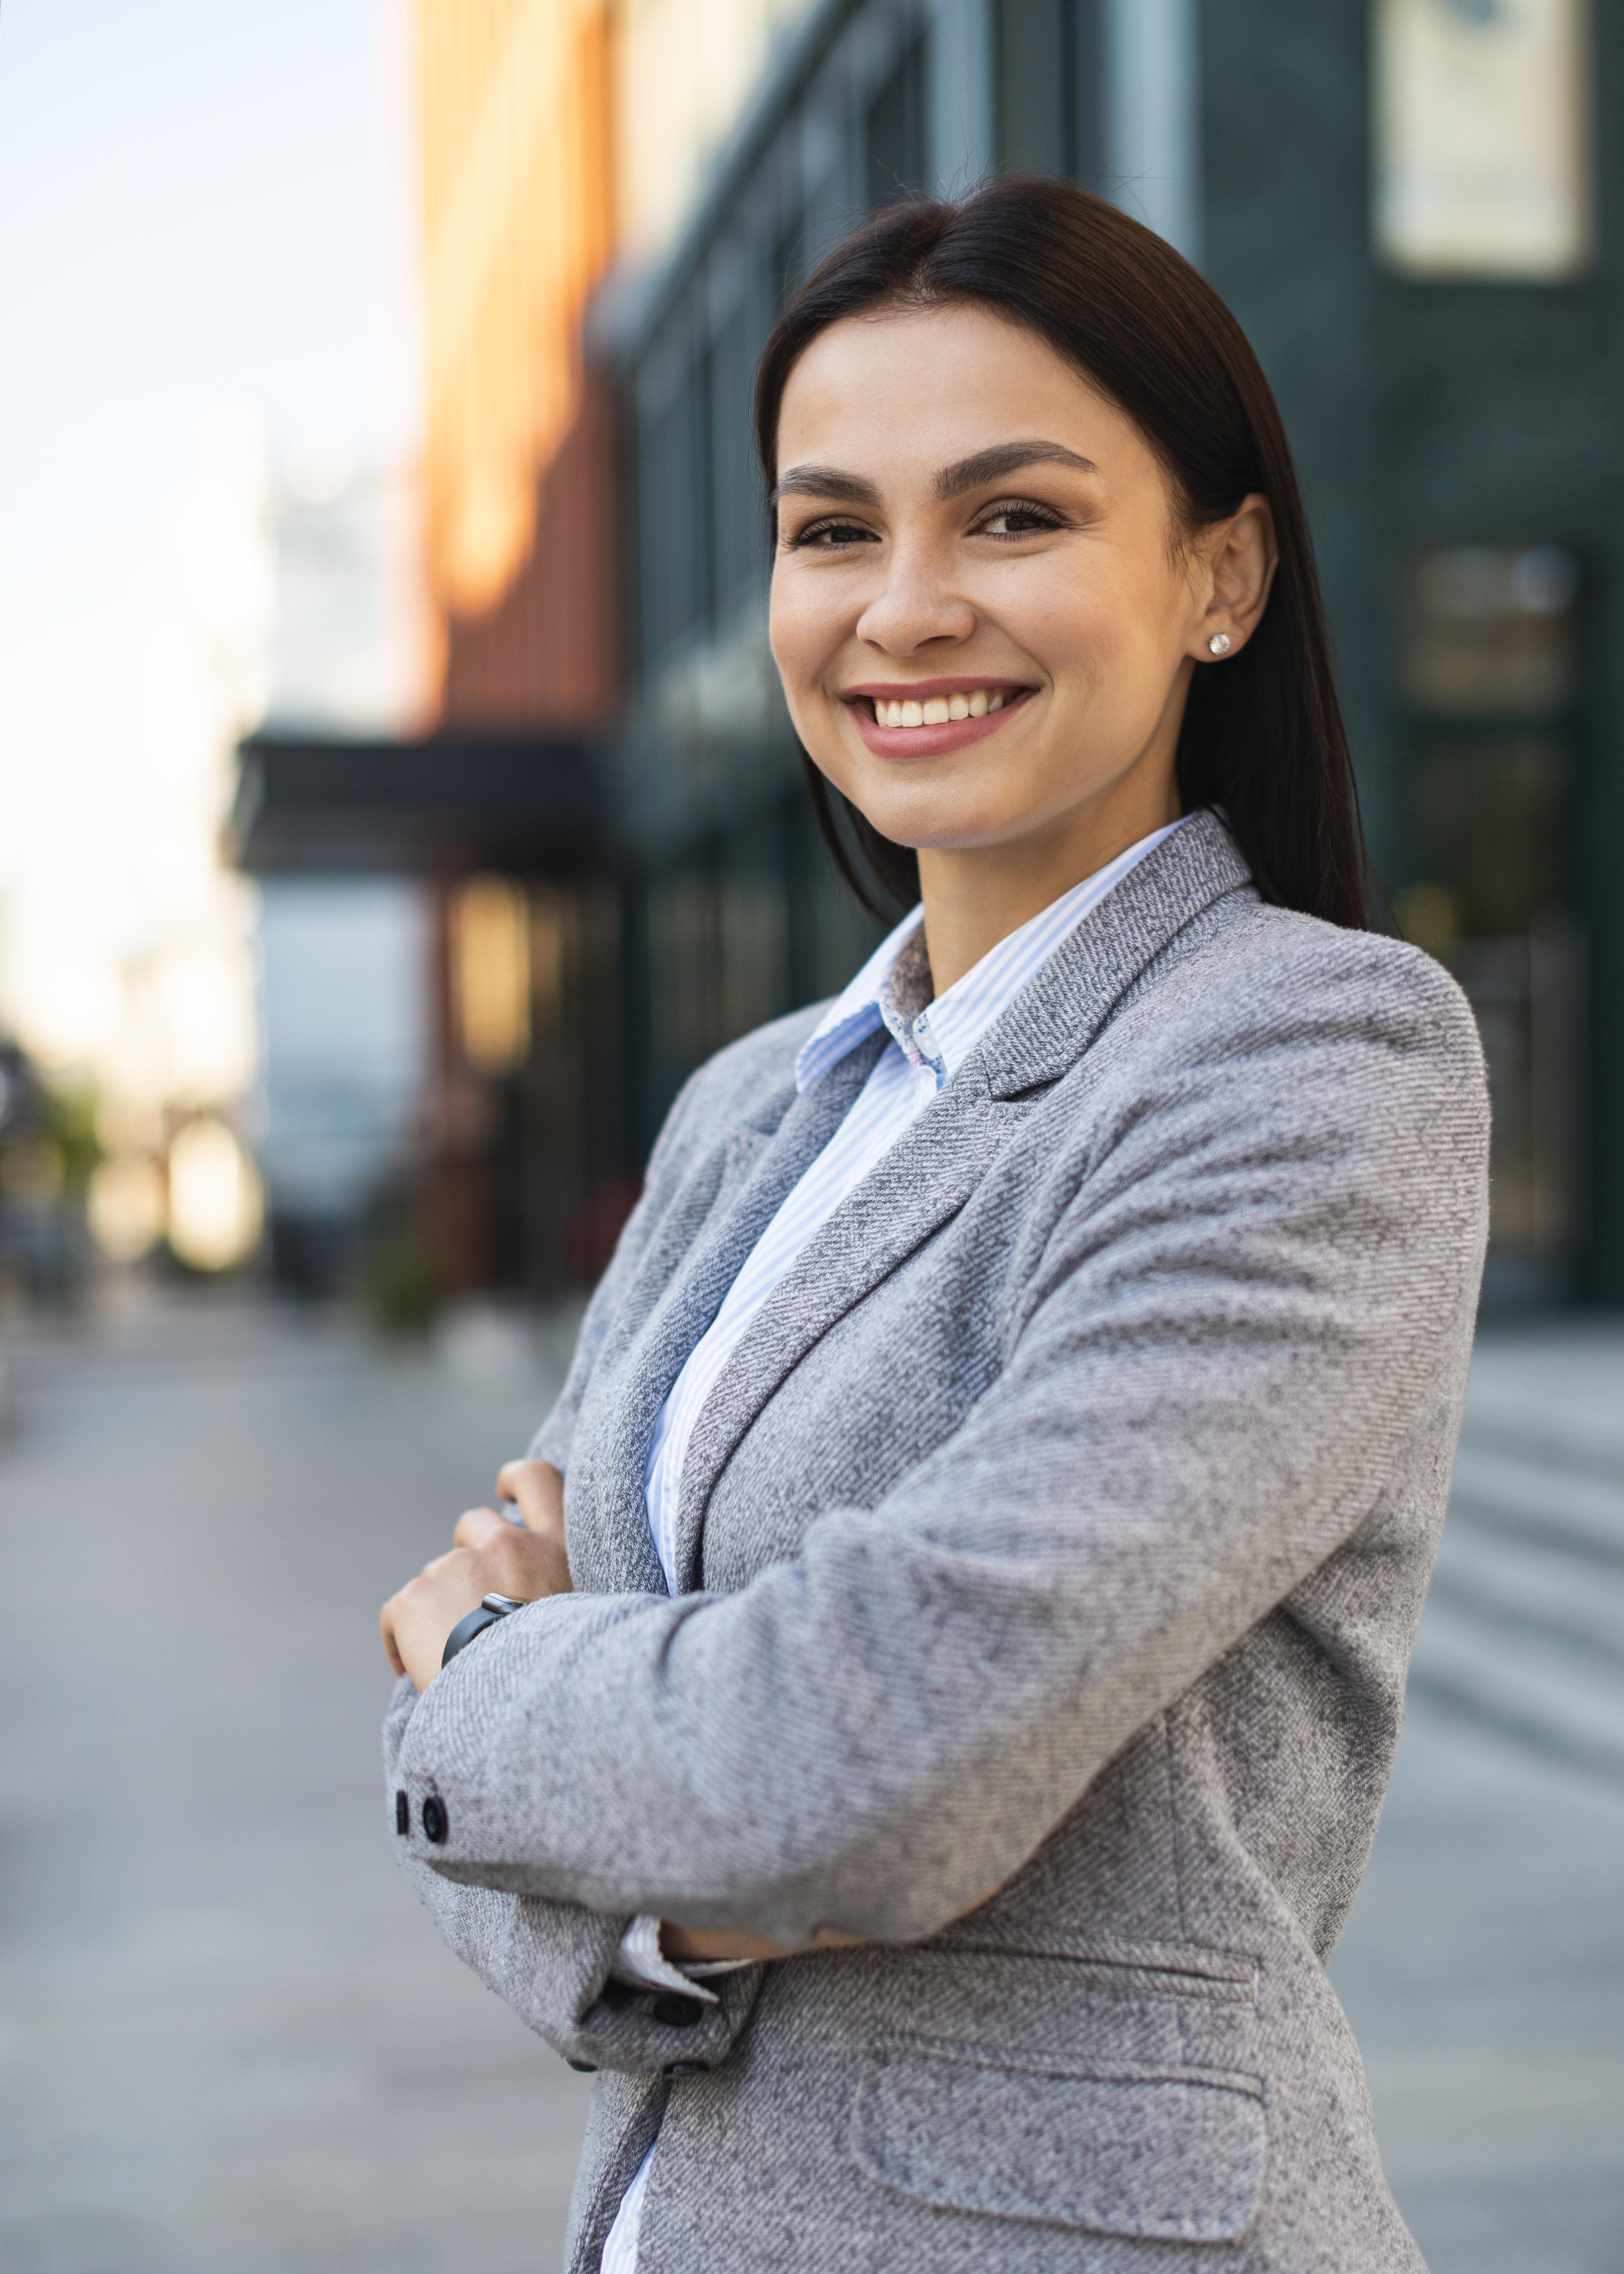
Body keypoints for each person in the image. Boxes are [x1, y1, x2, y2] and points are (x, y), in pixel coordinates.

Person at [379, 178, 1488, 2273]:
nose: (904, 607)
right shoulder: (744, 1109)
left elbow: (880, 1749)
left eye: (1015, 516)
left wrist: (497, 1686)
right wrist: (669, 1857)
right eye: (831, 528)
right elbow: (529, 1813)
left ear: (1223, 573)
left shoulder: (1309, 1056)